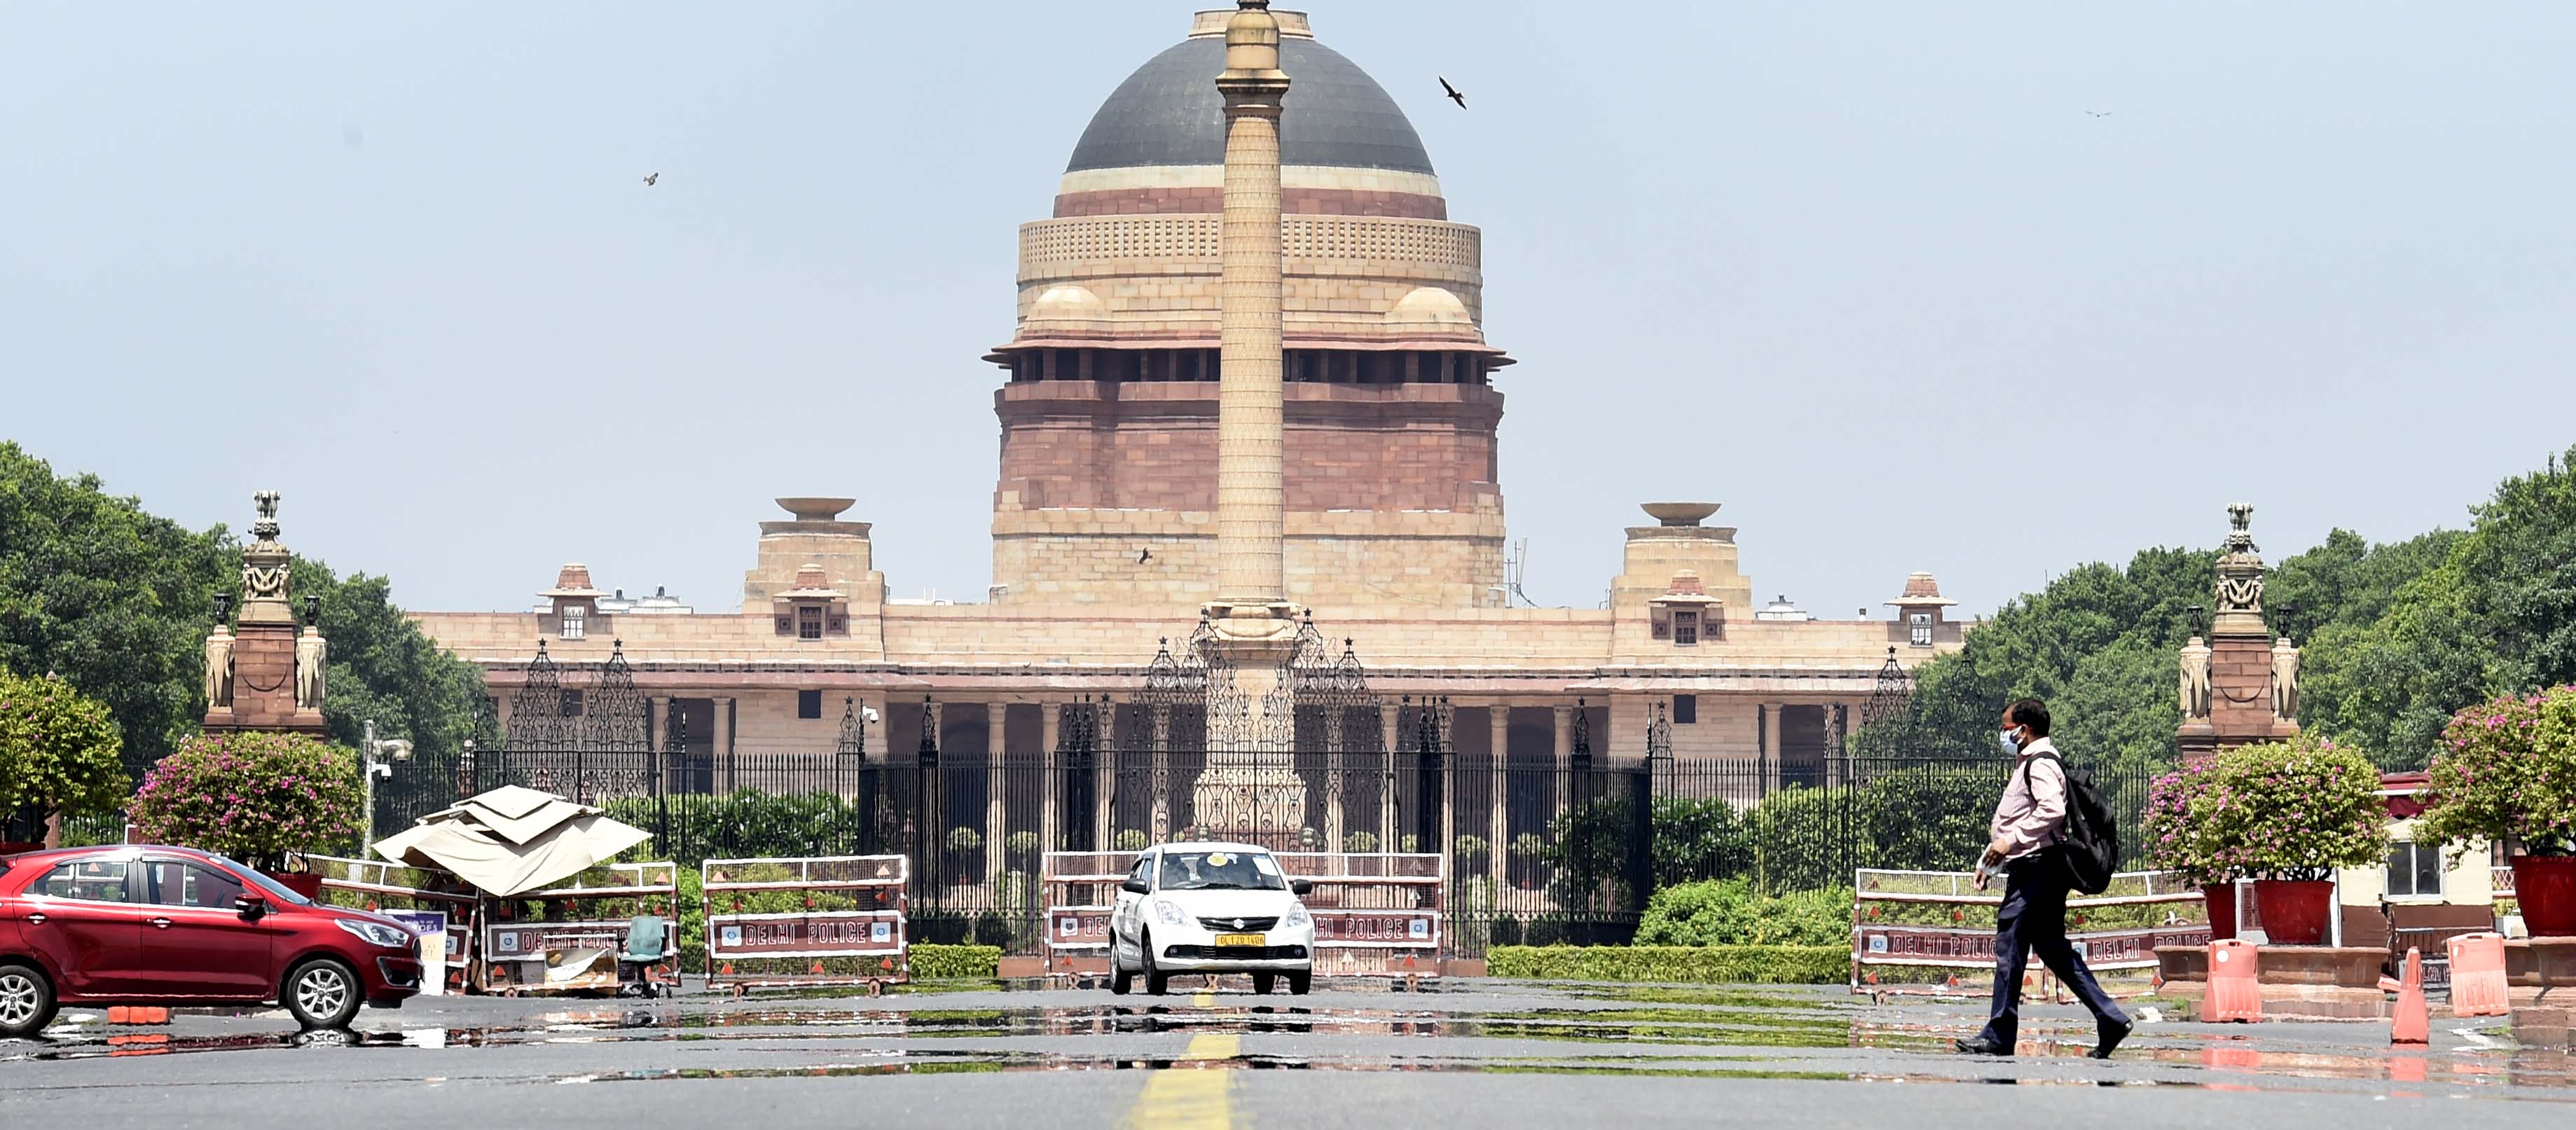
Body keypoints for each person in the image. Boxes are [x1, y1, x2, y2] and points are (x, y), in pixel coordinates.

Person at [1953, 698, 2133, 1059]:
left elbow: (2051, 811)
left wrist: (2008, 842)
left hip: (2037, 869)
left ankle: (2000, 1033)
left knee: (2010, 945)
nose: (2004, 735)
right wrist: (1992, 860)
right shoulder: (2033, 762)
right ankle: (2109, 1017)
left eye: (2007, 729)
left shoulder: (2040, 764)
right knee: (2052, 948)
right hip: (2038, 866)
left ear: (2026, 729)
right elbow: (2019, 820)